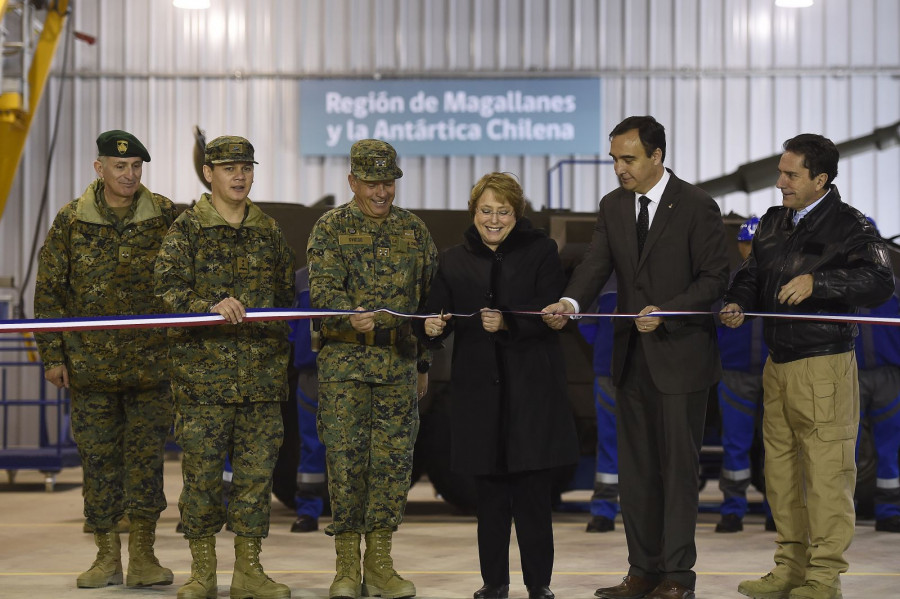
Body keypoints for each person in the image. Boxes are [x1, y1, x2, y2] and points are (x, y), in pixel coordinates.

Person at [543, 115, 729, 599]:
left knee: (678, 473)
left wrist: (667, 312)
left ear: (656, 157)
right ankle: (642, 572)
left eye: (628, 159)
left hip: (681, 359)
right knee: (639, 472)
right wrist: (571, 303)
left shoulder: (697, 206)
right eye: (614, 160)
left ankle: (676, 577)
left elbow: (714, 279)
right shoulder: (612, 206)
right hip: (630, 360)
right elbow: (595, 264)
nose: (619, 169)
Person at [721, 133, 894, 599]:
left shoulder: (851, 226)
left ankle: (823, 575)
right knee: (780, 475)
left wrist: (819, 281)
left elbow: (879, 280)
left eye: (791, 174)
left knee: (826, 476)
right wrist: (737, 302)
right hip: (777, 367)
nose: (780, 182)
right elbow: (752, 275)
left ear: (820, 179)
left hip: (825, 367)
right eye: (781, 171)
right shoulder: (774, 222)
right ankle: (789, 568)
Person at [422, 172, 579, 599]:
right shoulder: (452, 259)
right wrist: (433, 327)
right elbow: (435, 315)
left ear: (517, 213)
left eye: (503, 212)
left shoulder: (542, 250)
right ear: (474, 212)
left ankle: (538, 585)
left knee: (531, 497)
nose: (493, 220)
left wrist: (508, 319)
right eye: (486, 211)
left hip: (531, 394)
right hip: (479, 398)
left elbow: (552, 315)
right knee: (488, 500)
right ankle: (494, 584)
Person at [33, 130, 176, 589]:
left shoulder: (165, 216)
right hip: (90, 368)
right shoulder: (71, 220)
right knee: (97, 462)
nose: (130, 174)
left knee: (146, 462)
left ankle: (145, 556)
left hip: (150, 366)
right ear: (100, 168)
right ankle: (105, 557)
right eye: (120, 167)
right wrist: (52, 354)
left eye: (136, 166)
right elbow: (50, 290)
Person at [155, 135, 296, 599]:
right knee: (201, 480)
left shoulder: (269, 232)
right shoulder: (186, 230)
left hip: (259, 383)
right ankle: (202, 573)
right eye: (229, 167)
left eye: (246, 167)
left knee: (256, 482)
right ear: (208, 174)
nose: (240, 175)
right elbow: (166, 294)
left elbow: (284, 300)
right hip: (202, 384)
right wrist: (208, 305)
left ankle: (249, 572)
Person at [307, 139, 438, 599]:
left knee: (392, 466)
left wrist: (423, 364)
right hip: (344, 366)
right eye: (371, 183)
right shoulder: (330, 228)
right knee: (345, 463)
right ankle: (346, 565)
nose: (381, 192)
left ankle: (380, 562)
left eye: (388, 183)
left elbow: (427, 307)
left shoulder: (415, 232)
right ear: (352, 182)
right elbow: (321, 293)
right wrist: (347, 315)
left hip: (398, 366)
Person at [715, 216, 773, 533]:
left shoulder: (781, 279)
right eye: (746, 242)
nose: (751, 249)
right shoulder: (727, 282)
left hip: (774, 371)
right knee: (734, 444)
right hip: (735, 374)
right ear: (739, 245)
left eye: (757, 242)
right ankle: (732, 510)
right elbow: (710, 322)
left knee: (776, 445)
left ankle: (775, 511)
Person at [854, 218, 900, 533]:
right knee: (846, 448)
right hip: (849, 373)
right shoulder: (842, 285)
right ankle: (849, 511)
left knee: (889, 448)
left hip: (888, 378)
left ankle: (889, 512)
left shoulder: (894, 288)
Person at [577, 279, 620, 533]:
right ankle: (604, 510)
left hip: (649, 374)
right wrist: (607, 348)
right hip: (609, 373)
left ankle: (648, 514)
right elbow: (587, 323)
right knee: (608, 441)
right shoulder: (603, 280)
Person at [288, 265, 328, 533]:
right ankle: (308, 510)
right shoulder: (302, 278)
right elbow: (289, 323)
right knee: (312, 445)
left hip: (352, 371)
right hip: (311, 373)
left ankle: (356, 513)